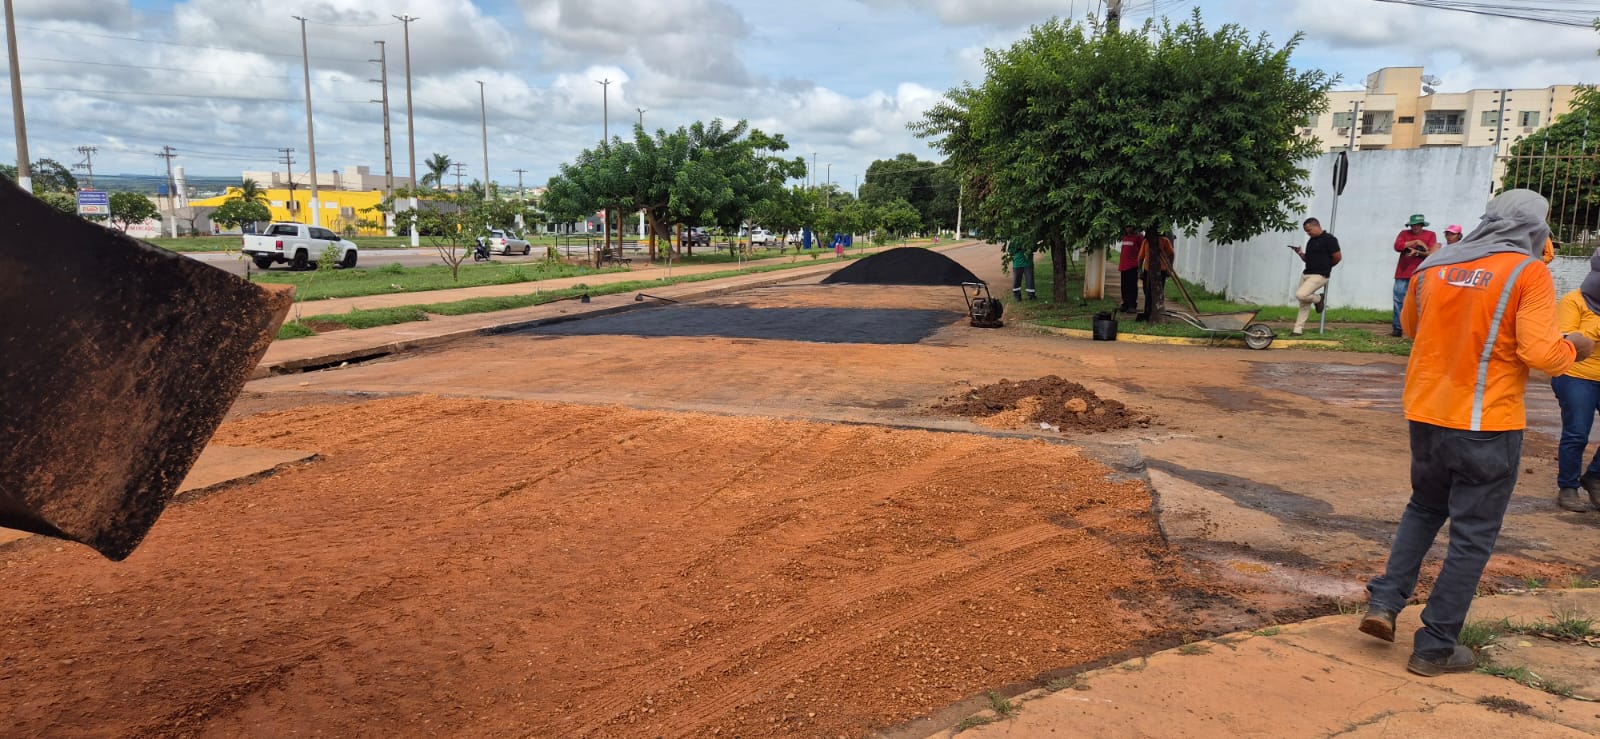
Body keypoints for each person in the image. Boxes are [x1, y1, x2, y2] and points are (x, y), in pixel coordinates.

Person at [1360, 190, 1594, 677]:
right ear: (1537, 226)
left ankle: (1384, 602)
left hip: (1427, 413)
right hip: (1487, 423)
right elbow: (1543, 355)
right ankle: (1435, 646)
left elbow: (1411, 328)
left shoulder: (1435, 264)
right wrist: (1577, 344)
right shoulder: (1526, 271)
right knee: (1472, 537)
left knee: (1424, 508)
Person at [1552, 250, 1600, 512]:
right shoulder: (1573, 301)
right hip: (1575, 376)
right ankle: (1568, 487)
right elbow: (1568, 342)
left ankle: (1594, 476)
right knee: (1577, 433)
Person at [1288, 217, 1341, 336]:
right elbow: (1308, 259)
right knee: (1303, 303)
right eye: (1306, 231)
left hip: (1320, 275)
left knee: (1301, 295)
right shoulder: (1311, 241)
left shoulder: (1330, 239)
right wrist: (1300, 253)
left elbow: (1337, 257)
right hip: (1306, 273)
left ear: (1317, 226)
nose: (1308, 233)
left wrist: (1326, 267)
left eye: (1309, 230)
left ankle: (1319, 299)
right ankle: (1297, 330)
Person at [1392, 214, 1439, 337]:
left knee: (1419, 301)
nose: (1415, 227)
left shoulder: (1430, 235)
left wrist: (1417, 252)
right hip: (1403, 272)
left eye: (1417, 225)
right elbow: (1397, 246)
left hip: (1420, 272)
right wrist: (1415, 242)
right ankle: (1397, 327)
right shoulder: (1404, 233)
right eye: (1413, 225)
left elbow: (1431, 252)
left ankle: (1417, 328)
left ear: (1422, 225)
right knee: (1398, 299)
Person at [1136, 226, 1174, 322]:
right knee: (1147, 291)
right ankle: (1148, 311)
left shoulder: (1164, 241)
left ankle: (1156, 311)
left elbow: (1171, 254)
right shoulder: (1146, 242)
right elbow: (1140, 257)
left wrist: (1170, 268)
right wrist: (1140, 270)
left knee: (1158, 291)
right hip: (1147, 270)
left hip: (1161, 270)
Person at [1117, 226, 1142, 314]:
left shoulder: (1138, 237)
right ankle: (1125, 303)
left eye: (1129, 226)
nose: (1127, 229)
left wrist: (1140, 267)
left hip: (1133, 266)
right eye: (1126, 227)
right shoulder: (1125, 237)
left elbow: (1142, 251)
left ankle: (1132, 305)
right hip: (1124, 266)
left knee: (1132, 287)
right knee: (1124, 286)